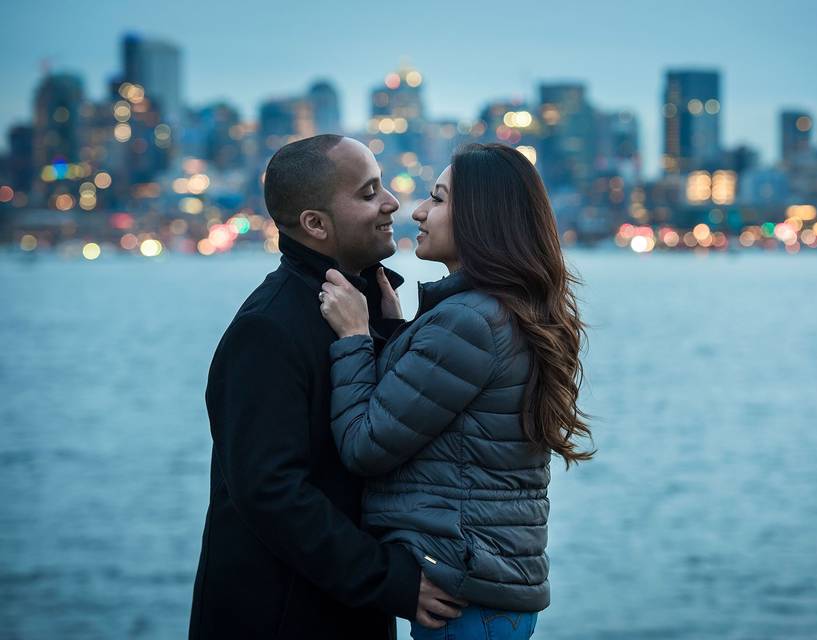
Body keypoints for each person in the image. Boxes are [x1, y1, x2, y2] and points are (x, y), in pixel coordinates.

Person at [189, 134, 464, 640]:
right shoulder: (268, 329)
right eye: (367, 193)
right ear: (315, 224)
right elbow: (271, 492)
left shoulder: (364, 309)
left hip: (344, 610)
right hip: (281, 620)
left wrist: (388, 334)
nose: (392, 203)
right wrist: (393, 581)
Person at [318, 143, 593, 639]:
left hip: (465, 601)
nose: (418, 211)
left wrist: (355, 338)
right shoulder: (496, 310)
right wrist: (400, 333)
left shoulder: (468, 322)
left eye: (438, 199)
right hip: (487, 592)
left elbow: (364, 446)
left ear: (482, 220)